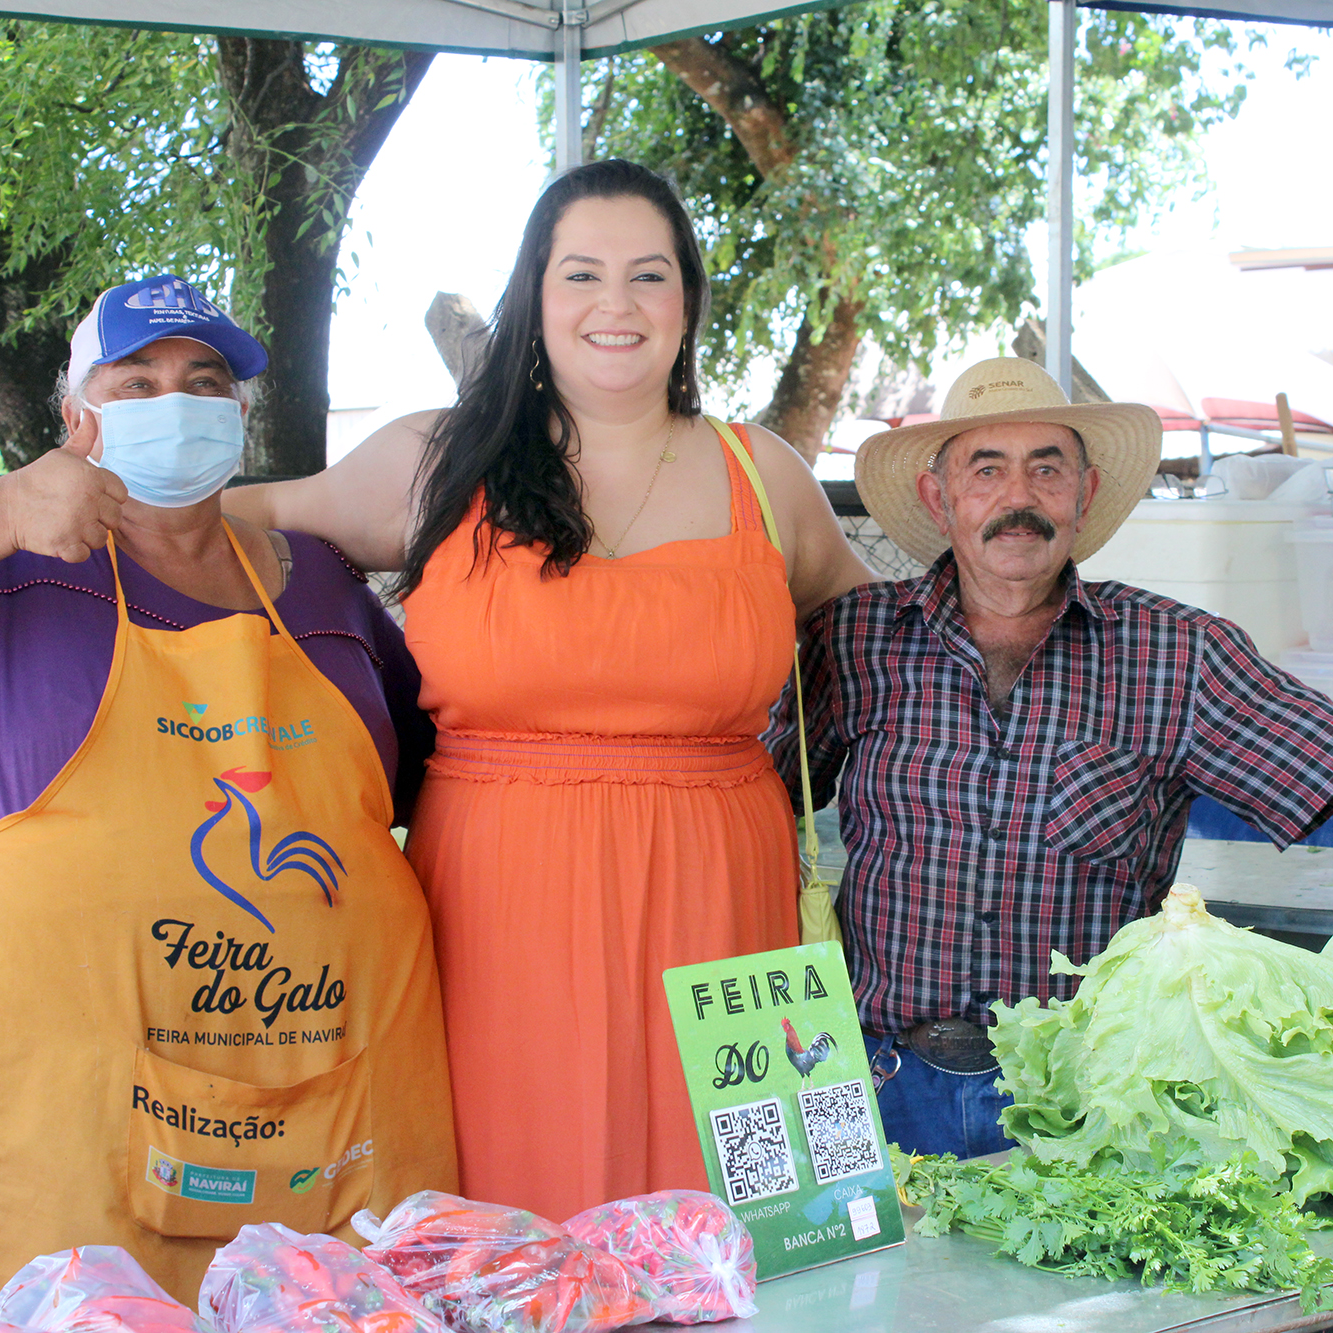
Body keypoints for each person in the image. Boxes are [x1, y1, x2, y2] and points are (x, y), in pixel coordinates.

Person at [0, 276, 457, 1314]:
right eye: (134, 381)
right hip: (52, 1095)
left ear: (236, 411)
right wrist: (2, 505)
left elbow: (410, 780)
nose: (173, 401)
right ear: (74, 418)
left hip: (326, 1092)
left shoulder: (321, 585)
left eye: (203, 379)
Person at [222, 159, 874, 1220]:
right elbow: (229, 531)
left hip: (733, 911)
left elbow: (881, 647)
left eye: (648, 276)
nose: (614, 305)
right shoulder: (438, 458)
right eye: (581, 273)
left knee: (757, 1227)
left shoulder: (767, 475)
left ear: (688, 303)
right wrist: (60, 507)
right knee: (509, 1224)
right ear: (534, 296)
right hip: (499, 915)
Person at [768, 356, 1333, 1159]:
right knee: (866, 1286)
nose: (1019, 498)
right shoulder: (854, 638)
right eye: (986, 469)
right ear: (940, 497)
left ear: (1085, 493)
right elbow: (753, 797)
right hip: (875, 1084)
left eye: (1047, 469)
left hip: (1086, 1095)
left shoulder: (1175, 653)